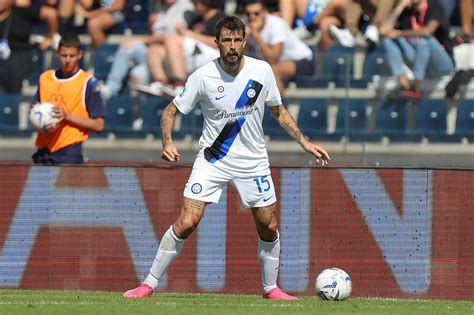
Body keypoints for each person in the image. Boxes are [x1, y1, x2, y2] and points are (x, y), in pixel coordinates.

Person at [123, 15, 330, 300]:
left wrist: (304, 141)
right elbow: (170, 110)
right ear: (217, 42)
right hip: (213, 159)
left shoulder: (262, 70)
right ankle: (148, 284)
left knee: (268, 224)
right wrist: (167, 141)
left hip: (253, 160)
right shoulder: (202, 76)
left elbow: (278, 110)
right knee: (187, 221)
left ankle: (271, 289)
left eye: (237, 40)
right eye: (226, 40)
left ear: (244, 42)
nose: (232, 46)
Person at [32, 34, 105, 164]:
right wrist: (38, 118)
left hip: (69, 152)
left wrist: (66, 116)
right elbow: (34, 109)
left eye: (72, 56)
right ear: (57, 54)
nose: (67, 60)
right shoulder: (45, 78)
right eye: (63, 55)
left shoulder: (88, 82)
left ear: (80, 55)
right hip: (43, 151)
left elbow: (99, 125)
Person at [101, 0, 194, 99]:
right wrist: (151, 24)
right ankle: (133, 108)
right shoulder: (162, 8)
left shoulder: (185, 6)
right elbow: (156, 34)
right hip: (154, 54)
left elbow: (168, 37)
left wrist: (139, 40)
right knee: (137, 75)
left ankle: (111, 87)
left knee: (130, 48)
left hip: (172, 58)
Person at [379, 0, 454, 99]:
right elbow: (383, 31)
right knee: (388, 40)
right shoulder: (407, 12)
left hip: (442, 64)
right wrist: (400, 7)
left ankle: (416, 86)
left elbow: (428, 32)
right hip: (420, 62)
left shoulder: (434, 6)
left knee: (425, 41)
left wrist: (399, 33)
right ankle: (403, 82)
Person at [245, 0, 314, 94]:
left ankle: (280, 107)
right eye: (248, 14)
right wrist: (246, 39)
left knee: (270, 71)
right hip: (277, 63)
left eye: (256, 13)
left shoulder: (276, 24)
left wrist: (256, 35)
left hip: (302, 60)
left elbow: (273, 58)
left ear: (264, 13)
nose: (252, 17)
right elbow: (244, 56)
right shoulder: (245, 25)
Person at [0, 0, 58, 93]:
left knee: (14, 72)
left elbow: (51, 14)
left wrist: (50, 37)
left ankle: (13, 102)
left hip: (19, 55)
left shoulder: (21, 12)